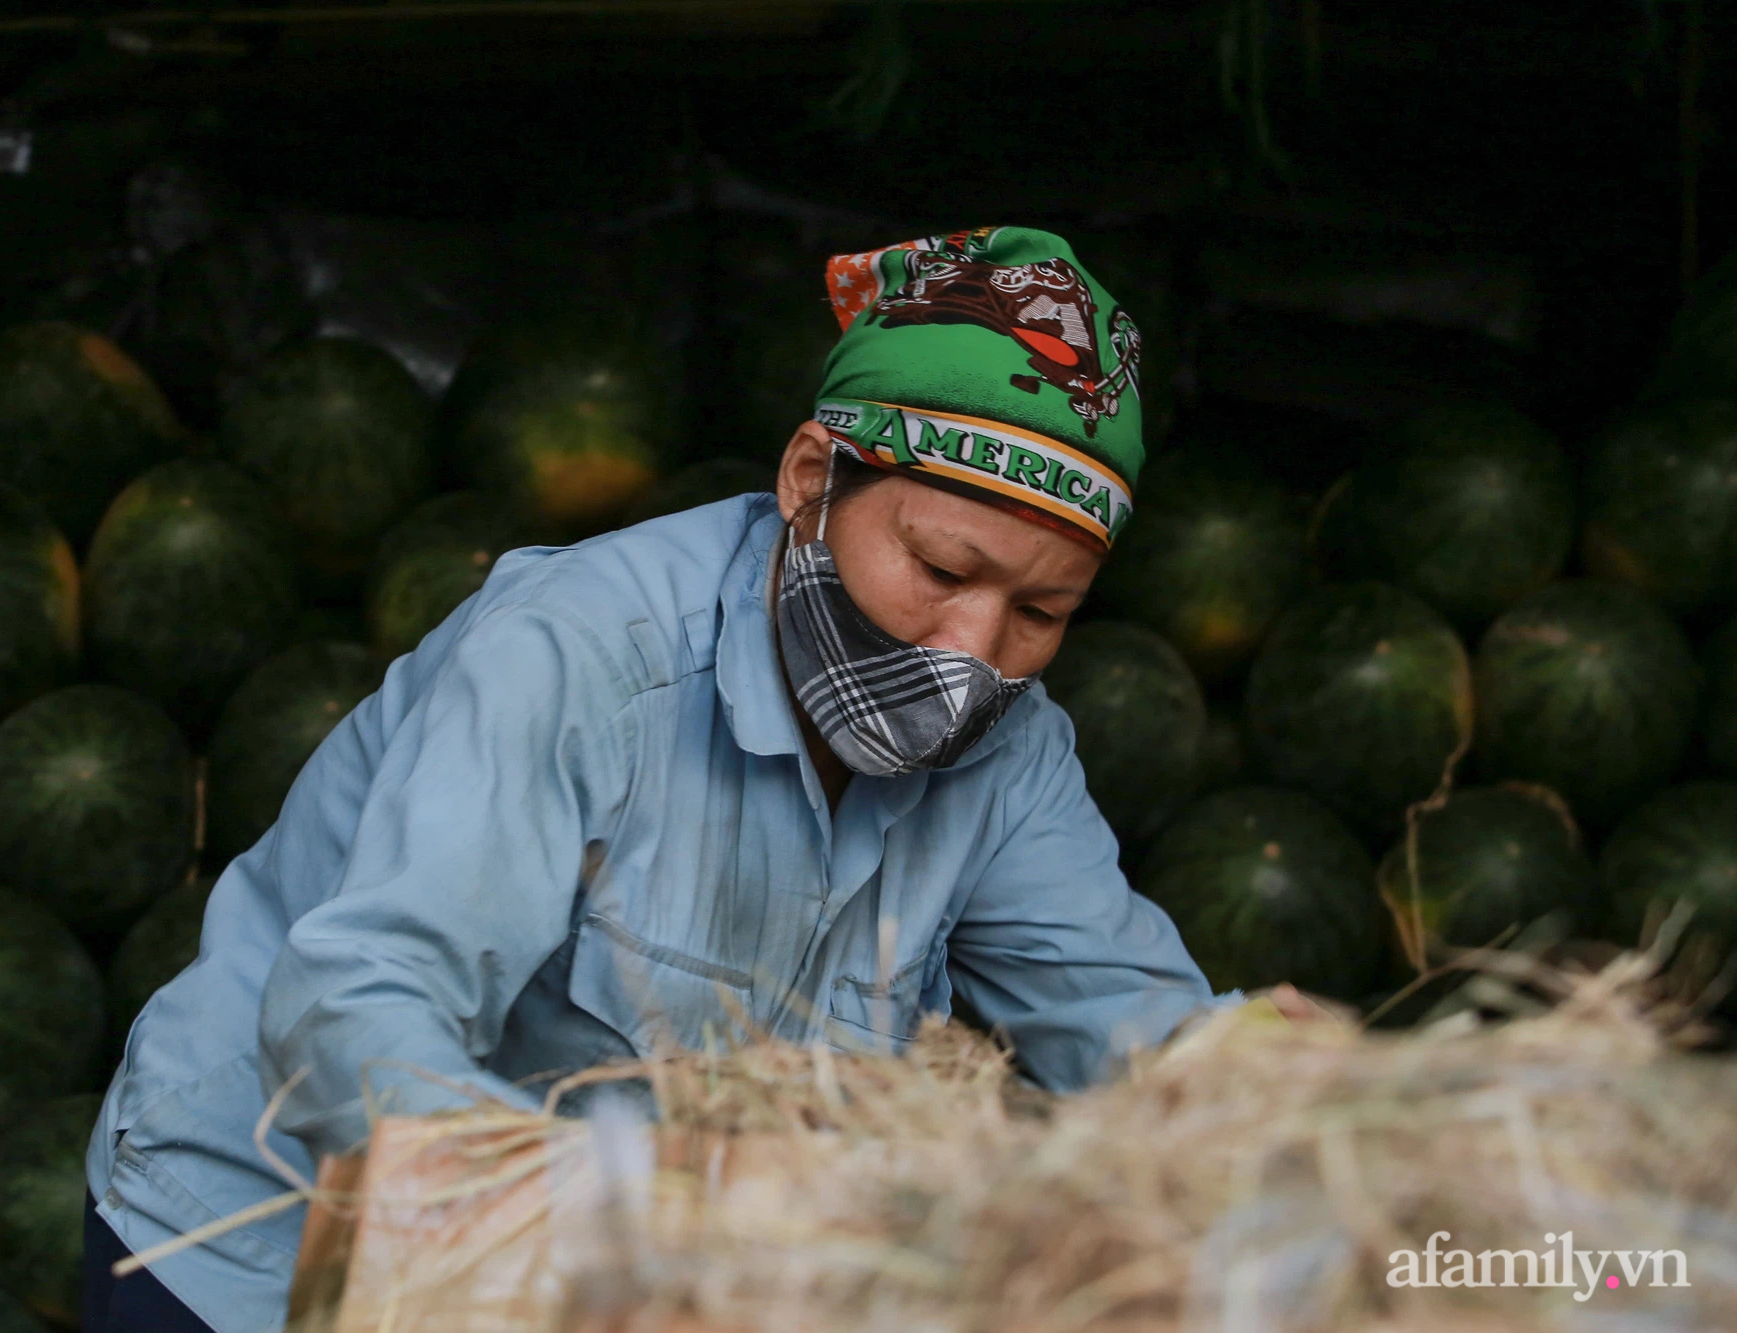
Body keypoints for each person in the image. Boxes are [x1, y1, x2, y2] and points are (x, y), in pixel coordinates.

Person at [82, 226, 1308, 1333]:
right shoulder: (575, 654)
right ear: (809, 481)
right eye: (939, 568)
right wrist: (653, 1205)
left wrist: (1278, 1084)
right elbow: (357, 1013)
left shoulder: (1010, 753)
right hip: (251, 1240)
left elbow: (1126, 1023)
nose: (972, 655)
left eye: (1041, 610)